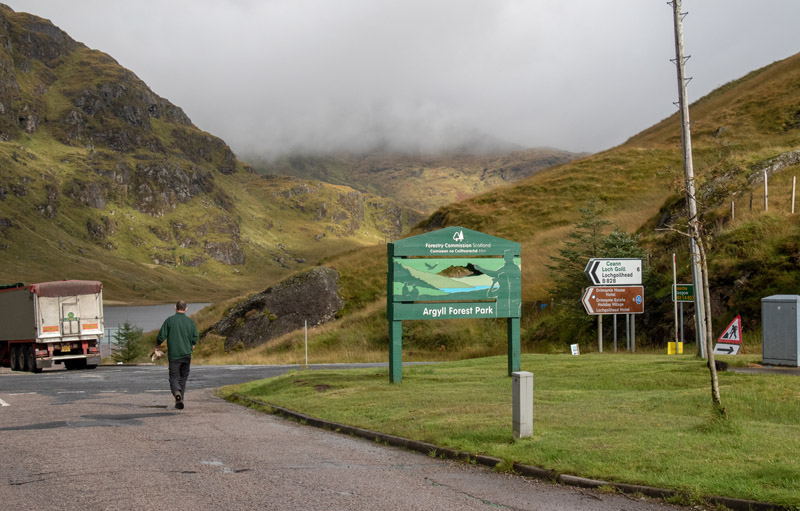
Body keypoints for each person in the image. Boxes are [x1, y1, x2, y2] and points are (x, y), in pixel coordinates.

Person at [154, 300, 198, 410]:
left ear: (175, 308)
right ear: (186, 309)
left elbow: (161, 335)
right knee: (183, 378)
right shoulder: (190, 322)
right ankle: (180, 398)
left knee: (174, 377)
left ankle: (177, 395)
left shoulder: (170, 321)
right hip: (186, 354)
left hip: (174, 355)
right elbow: (195, 336)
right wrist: (192, 344)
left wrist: (158, 346)